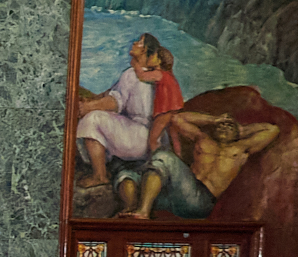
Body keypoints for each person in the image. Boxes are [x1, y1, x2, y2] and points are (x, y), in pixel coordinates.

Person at [113, 111, 280, 220]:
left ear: (238, 132)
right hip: (176, 195)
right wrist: (214, 118)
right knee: (127, 173)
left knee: (164, 156)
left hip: (201, 202)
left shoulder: (242, 148)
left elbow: (272, 130)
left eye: (229, 126)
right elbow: (177, 119)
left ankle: (143, 212)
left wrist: (242, 130)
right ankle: (131, 209)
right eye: (221, 125)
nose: (223, 126)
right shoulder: (203, 139)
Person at [75, 36, 157, 189]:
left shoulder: (132, 74)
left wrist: (88, 107)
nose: (133, 43)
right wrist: (94, 101)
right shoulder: (150, 75)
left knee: (92, 118)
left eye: (139, 42)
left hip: (138, 137)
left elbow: (115, 102)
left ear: (144, 50)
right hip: (152, 139)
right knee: (100, 115)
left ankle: (100, 176)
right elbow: (112, 94)